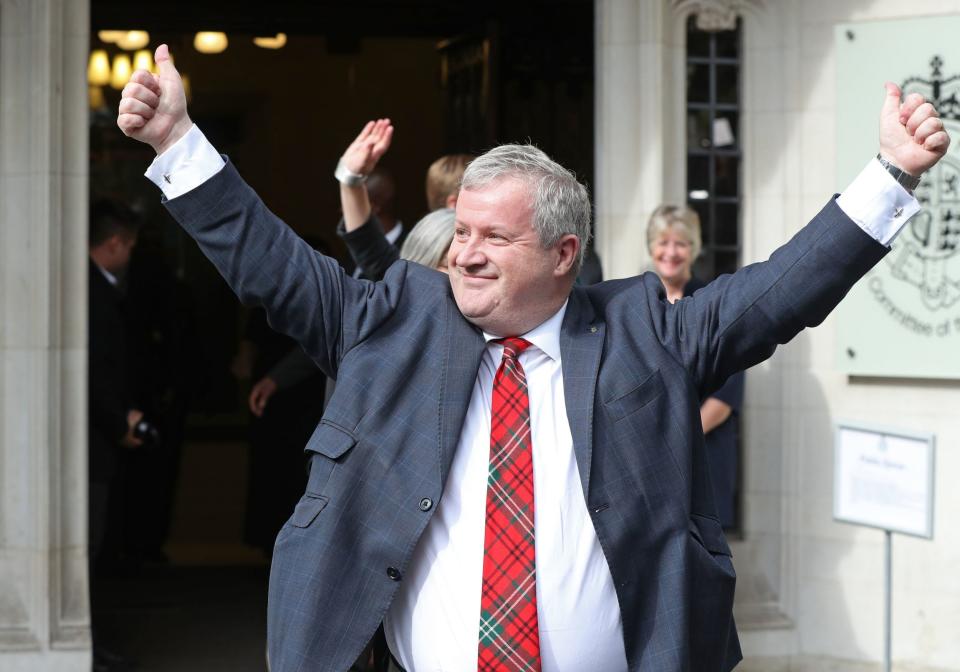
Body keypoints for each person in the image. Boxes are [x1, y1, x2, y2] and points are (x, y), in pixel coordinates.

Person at [118, 44, 949, 672]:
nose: (466, 255)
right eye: (463, 232)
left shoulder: (644, 333)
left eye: (496, 238)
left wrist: (892, 175)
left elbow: (780, 292)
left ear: (563, 253)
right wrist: (176, 140)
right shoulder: (393, 318)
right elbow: (270, 264)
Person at [647, 205, 743, 529]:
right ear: (651, 247)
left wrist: (672, 439)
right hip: (647, 458)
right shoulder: (632, 303)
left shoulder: (713, 303)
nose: (671, 252)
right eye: (663, 242)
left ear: (694, 249)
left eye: (681, 244)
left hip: (701, 454)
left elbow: (725, 399)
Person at [88, 199, 143, 672]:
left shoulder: (96, 288)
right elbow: (93, 371)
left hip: (99, 435)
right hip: (93, 440)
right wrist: (118, 423)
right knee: (87, 544)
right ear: (114, 244)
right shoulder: (94, 292)